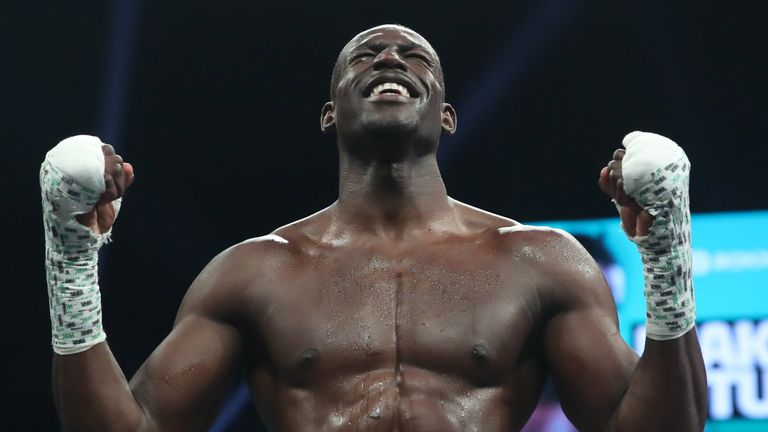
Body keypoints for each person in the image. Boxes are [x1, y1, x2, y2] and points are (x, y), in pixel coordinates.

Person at [41, 24, 706, 431]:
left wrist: (666, 253)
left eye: (414, 55)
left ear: (446, 115)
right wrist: (70, 256)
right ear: (331, 114)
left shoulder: (539, 262)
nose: (390, 58)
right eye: (366, 55)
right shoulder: (255, 272)